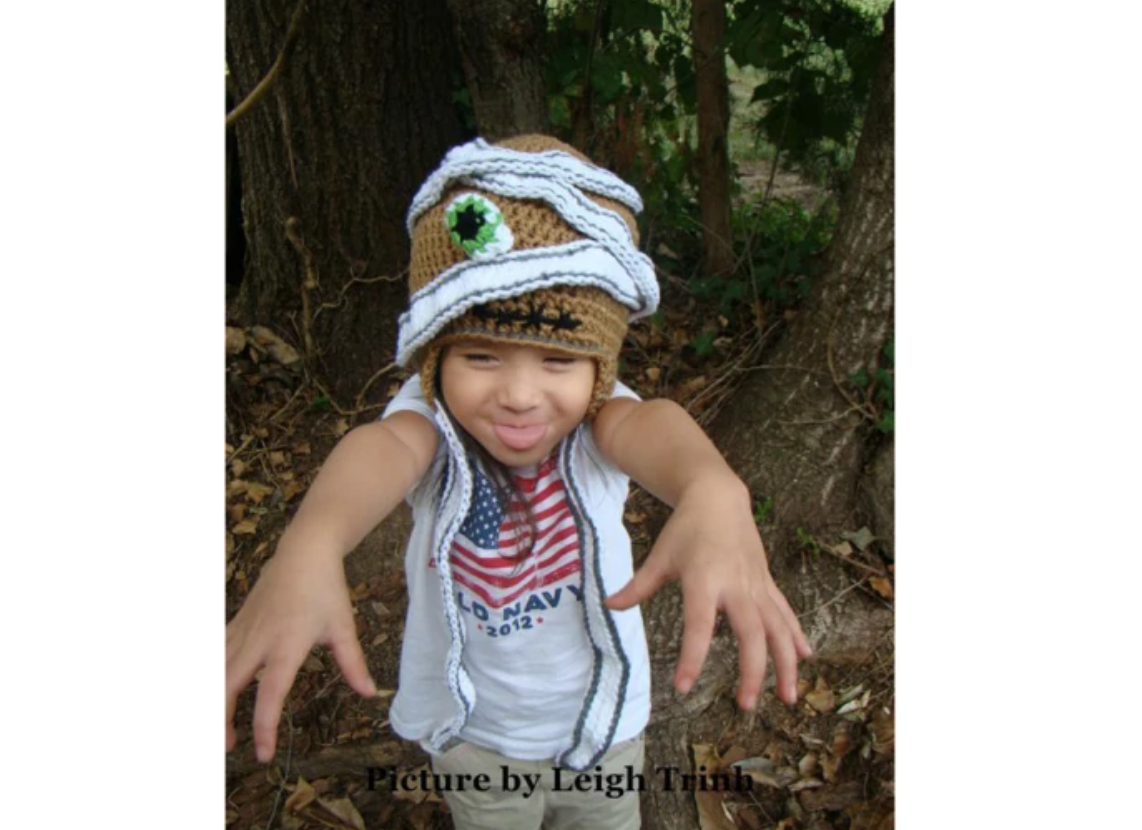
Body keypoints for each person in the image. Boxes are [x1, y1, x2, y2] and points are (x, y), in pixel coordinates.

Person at [226, 134, 812, 829]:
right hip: (480, 739)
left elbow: (654, 424)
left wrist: (714, 488)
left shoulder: (601, 419)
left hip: (606, 730)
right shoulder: (431, 421)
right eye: (480, 353)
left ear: (597, 365)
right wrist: (313, 539)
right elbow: (378, 449)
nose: (521, 395)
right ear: (435, 355)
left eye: (558, 359)